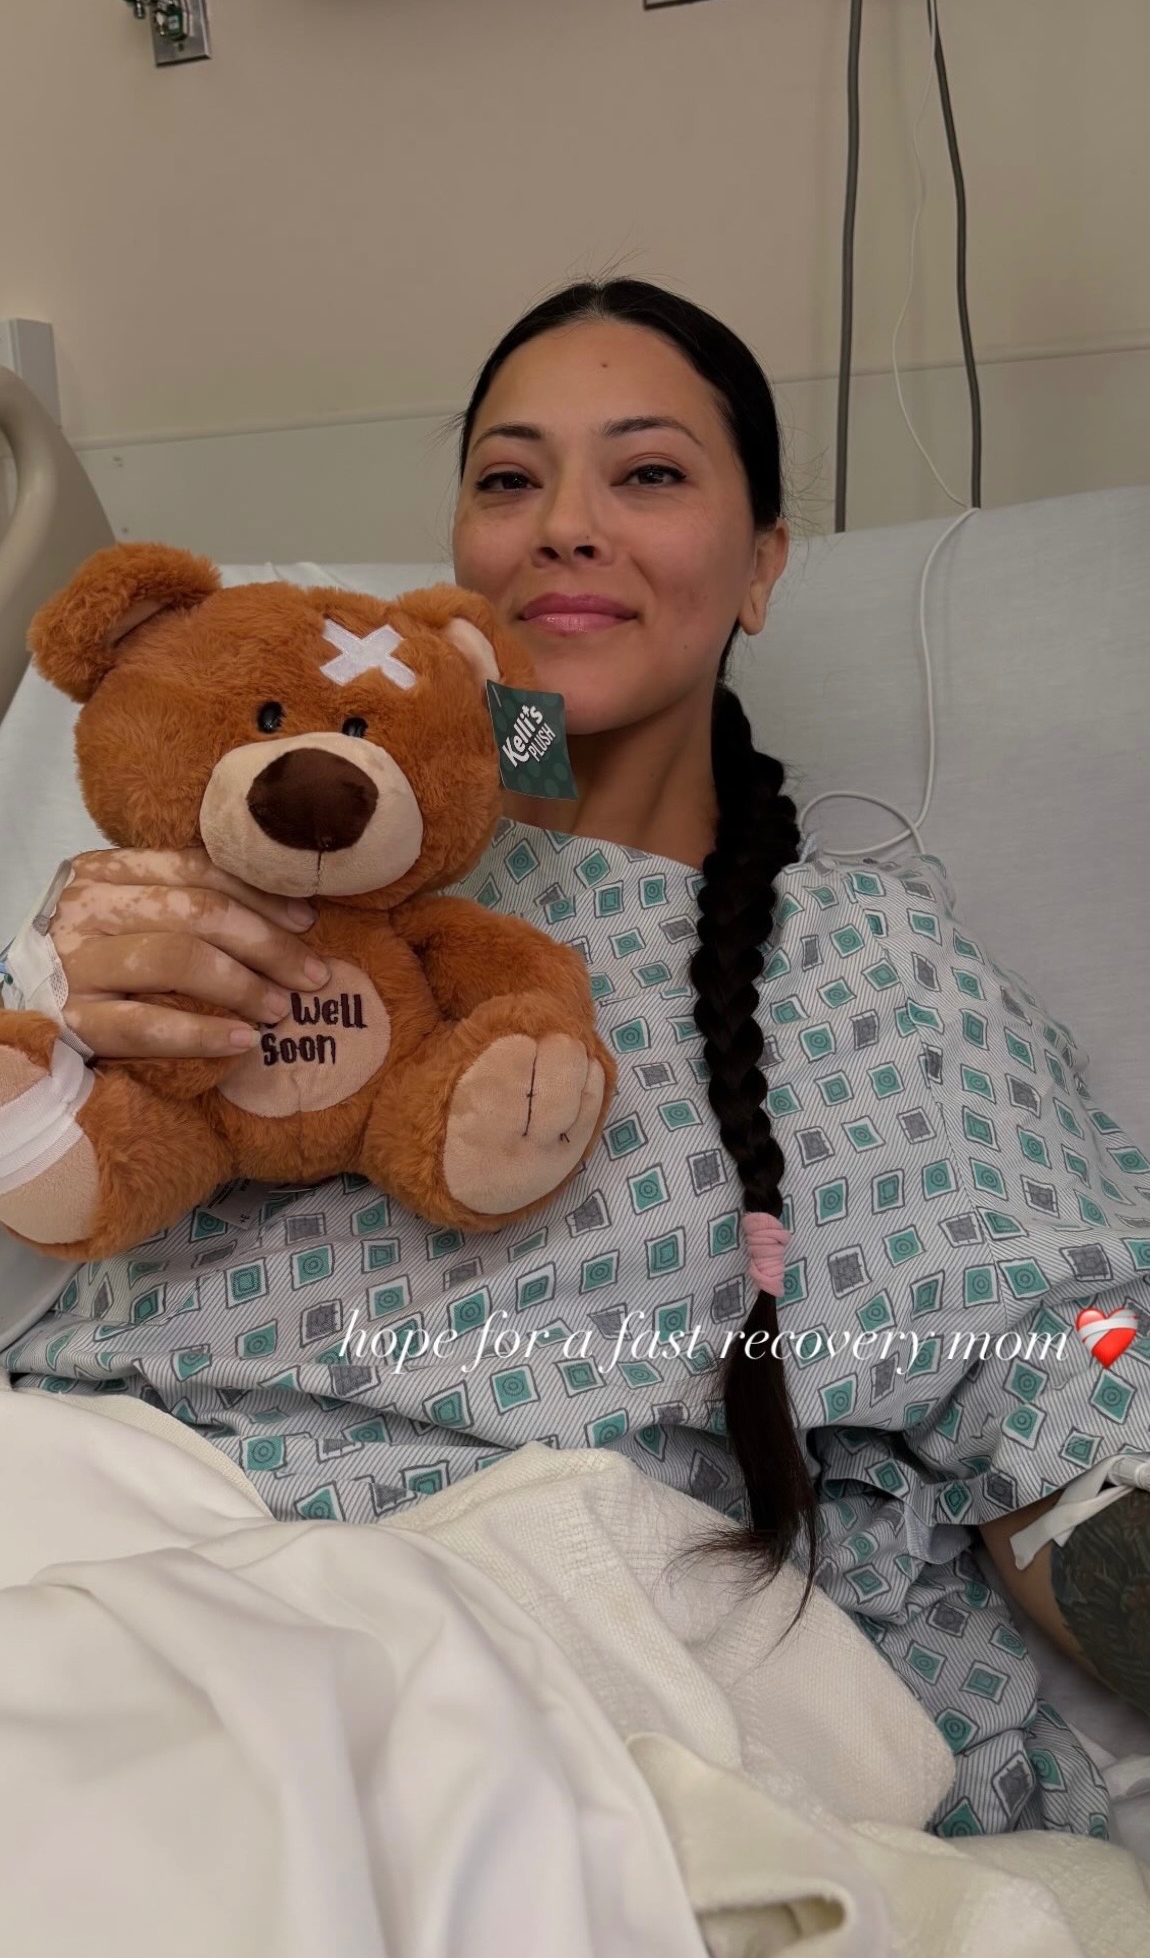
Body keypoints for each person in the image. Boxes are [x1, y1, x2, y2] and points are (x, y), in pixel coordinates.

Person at [2, 279, 1149, 1842]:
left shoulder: (869, 968)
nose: (561, 526)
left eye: (648, 472)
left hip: (513, 1671)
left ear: (761, 567)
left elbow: (1072, 1394)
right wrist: (45, 1011)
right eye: (507, 478)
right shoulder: (215, 870)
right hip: (92, 1547)